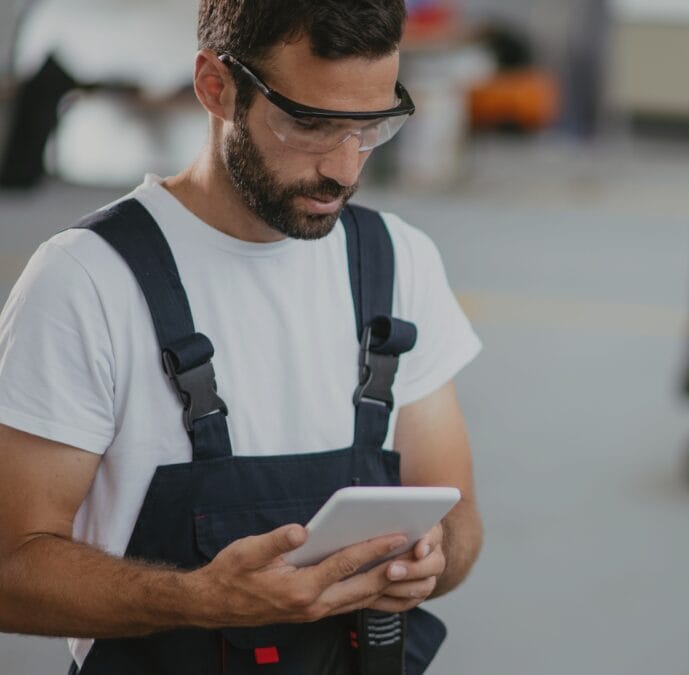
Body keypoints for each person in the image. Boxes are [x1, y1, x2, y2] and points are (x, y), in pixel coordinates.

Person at [0, 1, 483, 673]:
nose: (344, 169)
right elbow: (10, 568)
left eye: (371, 127)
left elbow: (458, 521)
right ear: (215, 87)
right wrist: (197, 598)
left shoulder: (399, 263)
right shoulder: (86, 281)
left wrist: (431, 556)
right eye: (310, 124)